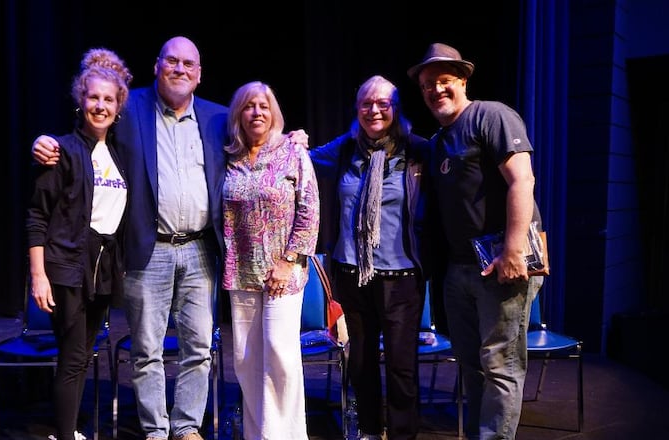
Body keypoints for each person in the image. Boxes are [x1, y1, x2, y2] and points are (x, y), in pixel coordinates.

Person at [30, 36, 308, 440]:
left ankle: (186, 426)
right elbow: (89, 126)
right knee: (147, 351)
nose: (179, 69)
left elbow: (259, 143)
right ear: (157, 66)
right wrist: (44, 143)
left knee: (199, 348)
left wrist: (292, 138)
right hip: (149, 249)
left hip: (201, 250)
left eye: (188, 64)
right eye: (171, 61)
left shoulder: (217, 118)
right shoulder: (130, 109)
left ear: (199, 75)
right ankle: (156, 430)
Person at [407, 42, 541, 440]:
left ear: (463, 80)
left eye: (444, 80)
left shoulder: (491, 116)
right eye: (428, 84)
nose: (436, 90)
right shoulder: (438, 141)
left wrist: (514, 251)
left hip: (502, 263)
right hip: (461, 268)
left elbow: (522, 180)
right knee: (470, 363)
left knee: (500, 364)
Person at [308, 75, 431, 440]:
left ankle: (403, 434)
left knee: (400, 367)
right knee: (359, 363)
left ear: (395, 108)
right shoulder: (345, 149)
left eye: (383, 103)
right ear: (357, 108)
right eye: (366, 103)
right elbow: (303, 160)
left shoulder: (417, 151)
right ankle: (369, 431)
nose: (374, 110)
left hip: (402, 279)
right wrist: (290, 141)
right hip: (352, 275)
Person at [26, 47, 132, 440]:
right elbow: (37, 216)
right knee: (72, 357)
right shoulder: (61, 151)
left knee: (82, 354)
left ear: (118, 106)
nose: (100, 106)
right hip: (66, 267)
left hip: (101, 269)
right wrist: (38, 275)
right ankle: (65, 434)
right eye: (93, 97)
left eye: (108, 99)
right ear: (80, 100)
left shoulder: (119, 155)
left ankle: (66, 431)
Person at [221, 81, 320, 440]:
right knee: (247, 362)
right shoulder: (228, 156)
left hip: (283, 273)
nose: (256, 112)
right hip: (241, 273)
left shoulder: (292, 152)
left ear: (273, 112)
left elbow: (310, 209)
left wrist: (290, 260)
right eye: (249, 106)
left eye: (263, 106)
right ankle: (257, 433)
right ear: (239, 115)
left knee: (280, 357)